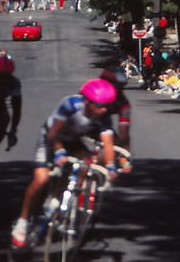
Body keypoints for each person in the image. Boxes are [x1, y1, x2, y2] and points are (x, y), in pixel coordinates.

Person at [10, 79, 119, 248]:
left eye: (107, 106)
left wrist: (111, 167)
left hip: (73, 140)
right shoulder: (70, 104)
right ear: (87, 102)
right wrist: (58, 152)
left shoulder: (104, 116)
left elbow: (108, 144)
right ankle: (22, 222)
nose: (104, 109)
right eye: (99, 105)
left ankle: (64, 198)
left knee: (86, 161)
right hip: (51, 138)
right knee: (41, 179)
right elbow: (53, 133)